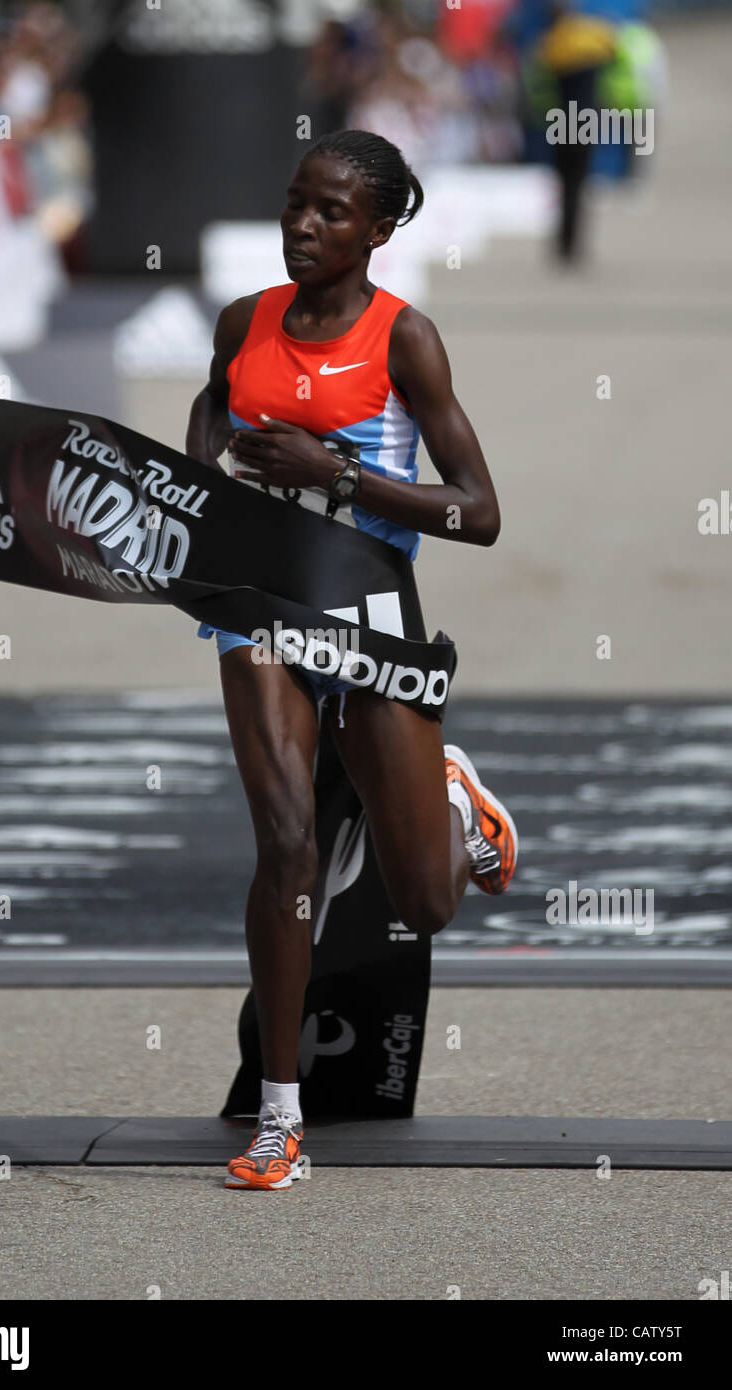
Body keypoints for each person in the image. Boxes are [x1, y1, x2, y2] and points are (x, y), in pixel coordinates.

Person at [185, 129, 518, 1190]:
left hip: (370, 609)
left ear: (376, 232)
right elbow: (210, 402)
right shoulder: (245, 320)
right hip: (258, 609)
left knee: (422, 900)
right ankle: (279, 1123)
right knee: (284, 843)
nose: (303, 225)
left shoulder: (404, 339)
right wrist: (194, 490)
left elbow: (478, 512)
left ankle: (455, 808)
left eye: (331, 212)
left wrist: (333, 476)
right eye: (295, 203)